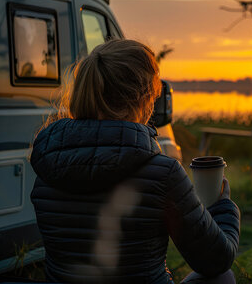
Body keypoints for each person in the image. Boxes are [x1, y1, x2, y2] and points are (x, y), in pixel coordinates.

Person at [30, 39, 240, 284]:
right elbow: (215, 260)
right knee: (223, 277)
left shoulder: (48, 167)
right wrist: (223, 206)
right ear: (145, 99)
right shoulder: (163, 173)